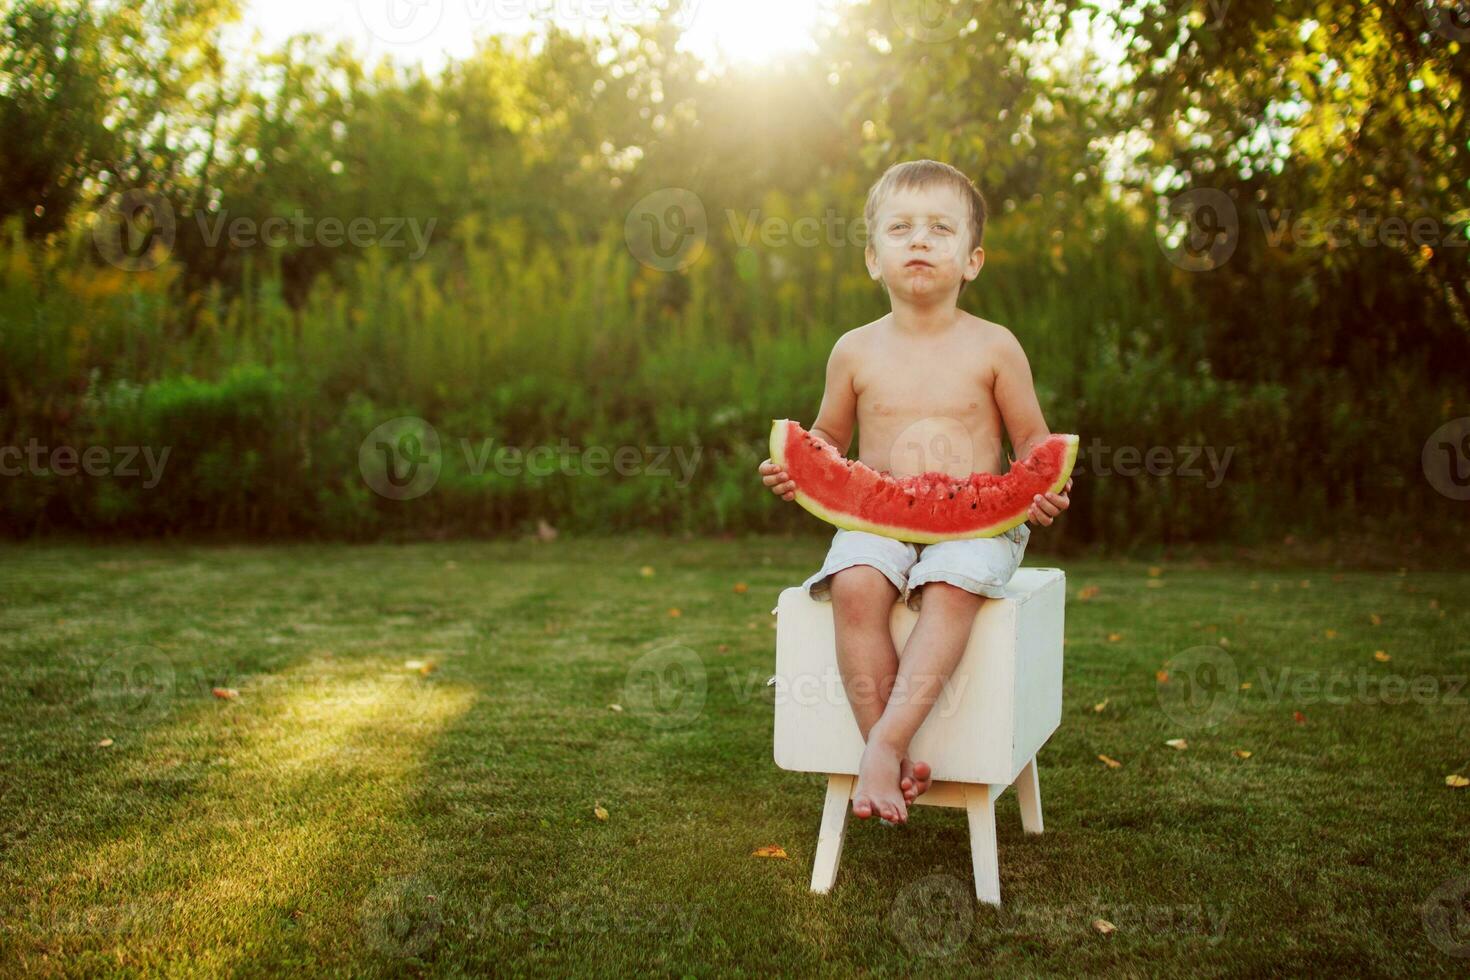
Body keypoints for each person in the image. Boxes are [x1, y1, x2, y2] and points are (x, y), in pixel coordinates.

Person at [758, 160, 1072, 824]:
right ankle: (883, 747)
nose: (920, 240)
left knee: (953, 584)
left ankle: (885, 745)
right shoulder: (853, 351)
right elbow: (825, 442)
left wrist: (1043, 495)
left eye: (940, 228)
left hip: (984, 526)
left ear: (973, 259)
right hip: (878, 523)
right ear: (874, 258)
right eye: (900, 228)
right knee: (853, 585)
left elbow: (1037, 450)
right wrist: (797, 471)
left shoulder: (996, 347)